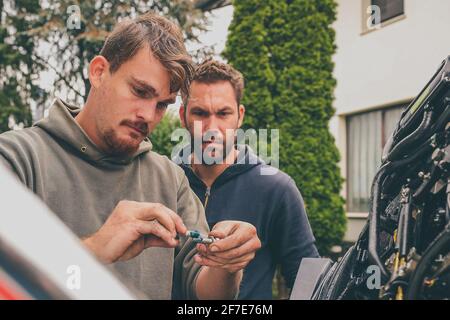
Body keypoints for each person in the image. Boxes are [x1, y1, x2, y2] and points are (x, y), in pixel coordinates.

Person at [0, 13, 261, 300]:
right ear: (99, 71)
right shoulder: (16, 160)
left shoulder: (170, 180)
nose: (148, 116)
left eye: (162, 104)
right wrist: (96, 248)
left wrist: (228, 263)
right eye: (139, 91)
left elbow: (205, 295)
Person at [176, 59, 319, 299]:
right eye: (200, 113)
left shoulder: (276, 188)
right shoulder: (165, 181)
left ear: (239, 116)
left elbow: (309, 281)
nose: (212, 127)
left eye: (223, 113)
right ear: (183, 115)